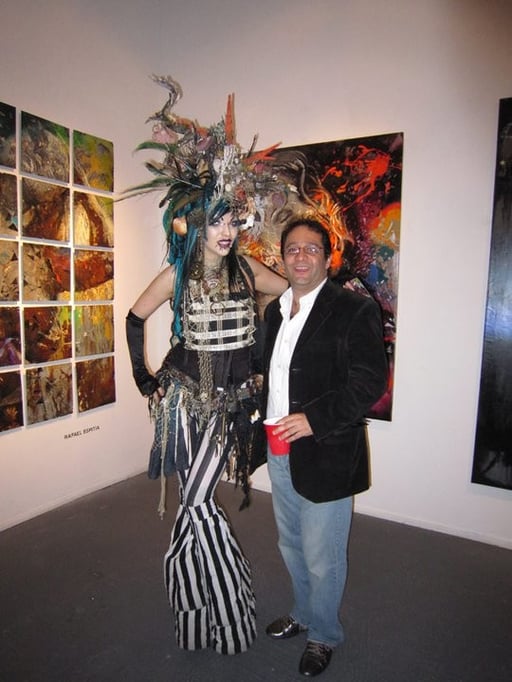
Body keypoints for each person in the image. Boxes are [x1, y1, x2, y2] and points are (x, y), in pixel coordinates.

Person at [125, 76, 288, 656]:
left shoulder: (248, 271)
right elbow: (134, 318)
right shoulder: (177, 275)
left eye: (232, 221)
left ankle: (207, 610)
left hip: (229, 407)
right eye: (216, 221)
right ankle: (219, 609)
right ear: (194, 223)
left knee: (194, 504)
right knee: (196, 504)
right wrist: (145, 379)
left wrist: (261, 356)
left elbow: (285, 295)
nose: (225, 232)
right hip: (182, 401)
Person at [262, 218, 388, 676]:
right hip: (278, 446)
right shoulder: (274, 311)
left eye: (311, 249)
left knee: (323, 554)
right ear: (282, 257)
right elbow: (278, 373)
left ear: (328, 257)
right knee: (291, 543)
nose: (301, 257)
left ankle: (324, 634)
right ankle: (303, 612)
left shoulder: (354, 309)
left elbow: (369, 382)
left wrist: (314, 419)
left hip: (328, 450)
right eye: (292, 249)